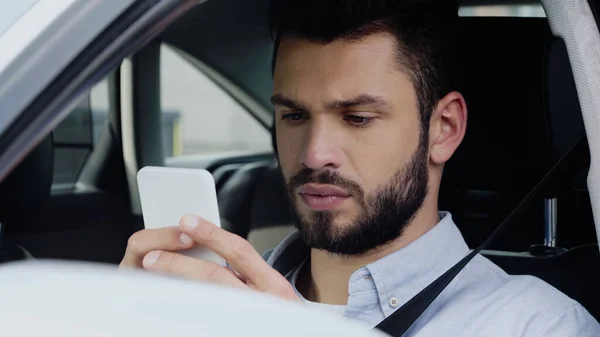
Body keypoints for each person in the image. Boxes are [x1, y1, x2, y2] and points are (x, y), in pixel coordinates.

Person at [119, 0, 600, 335]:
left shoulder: (537, 325)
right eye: (294, 115)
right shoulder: (215, 303)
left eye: (358, 118)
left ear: (444, 129)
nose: (313, 154)